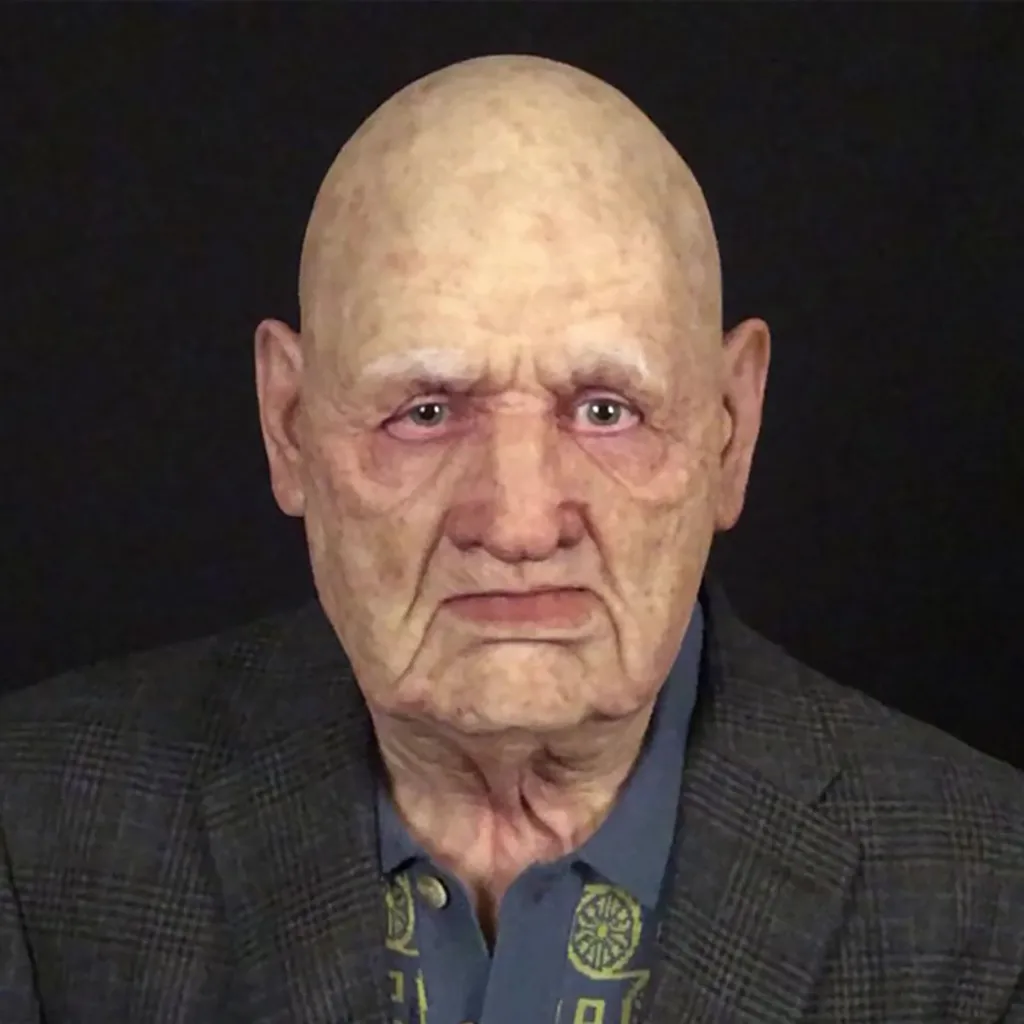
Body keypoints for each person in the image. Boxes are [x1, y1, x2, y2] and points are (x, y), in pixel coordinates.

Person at [2, 53, 1022, 1024]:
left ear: (730, 427)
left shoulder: (991, 903)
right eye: (426, 413)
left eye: (606, 410)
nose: (519, 524)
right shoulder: (34, 834)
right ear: (288, 425)